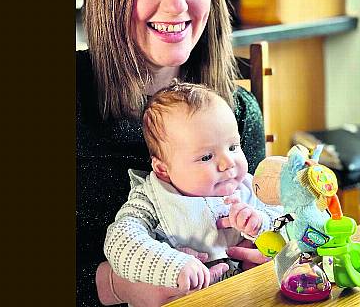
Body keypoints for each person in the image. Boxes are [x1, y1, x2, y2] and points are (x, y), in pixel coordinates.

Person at [77, 0, 269, 305]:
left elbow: (272, 224)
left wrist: (268, 255)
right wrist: (117, 286)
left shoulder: (239, 113)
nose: (176, 3)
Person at [104, 82, 284, 292]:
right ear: (163, 169)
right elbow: (120, 241)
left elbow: (291, 218)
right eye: (206, 156)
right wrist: (172, 265)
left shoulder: (250, 187)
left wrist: (261, 222)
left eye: (233, 147)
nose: (228, 163)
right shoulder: (153, 199)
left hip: (251, 293)